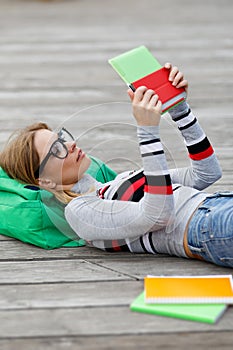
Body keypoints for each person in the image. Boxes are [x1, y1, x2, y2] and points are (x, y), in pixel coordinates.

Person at [0, 63, 232, 268]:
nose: (70, 144)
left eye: (62, 137)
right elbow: (157, 215)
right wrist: (147, 131)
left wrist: (178, 109)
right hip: (207, 226)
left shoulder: (118, 182)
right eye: (56, 149)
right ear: (45, 182)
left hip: (218, 203)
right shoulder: (81, 213)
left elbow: (206, 173)